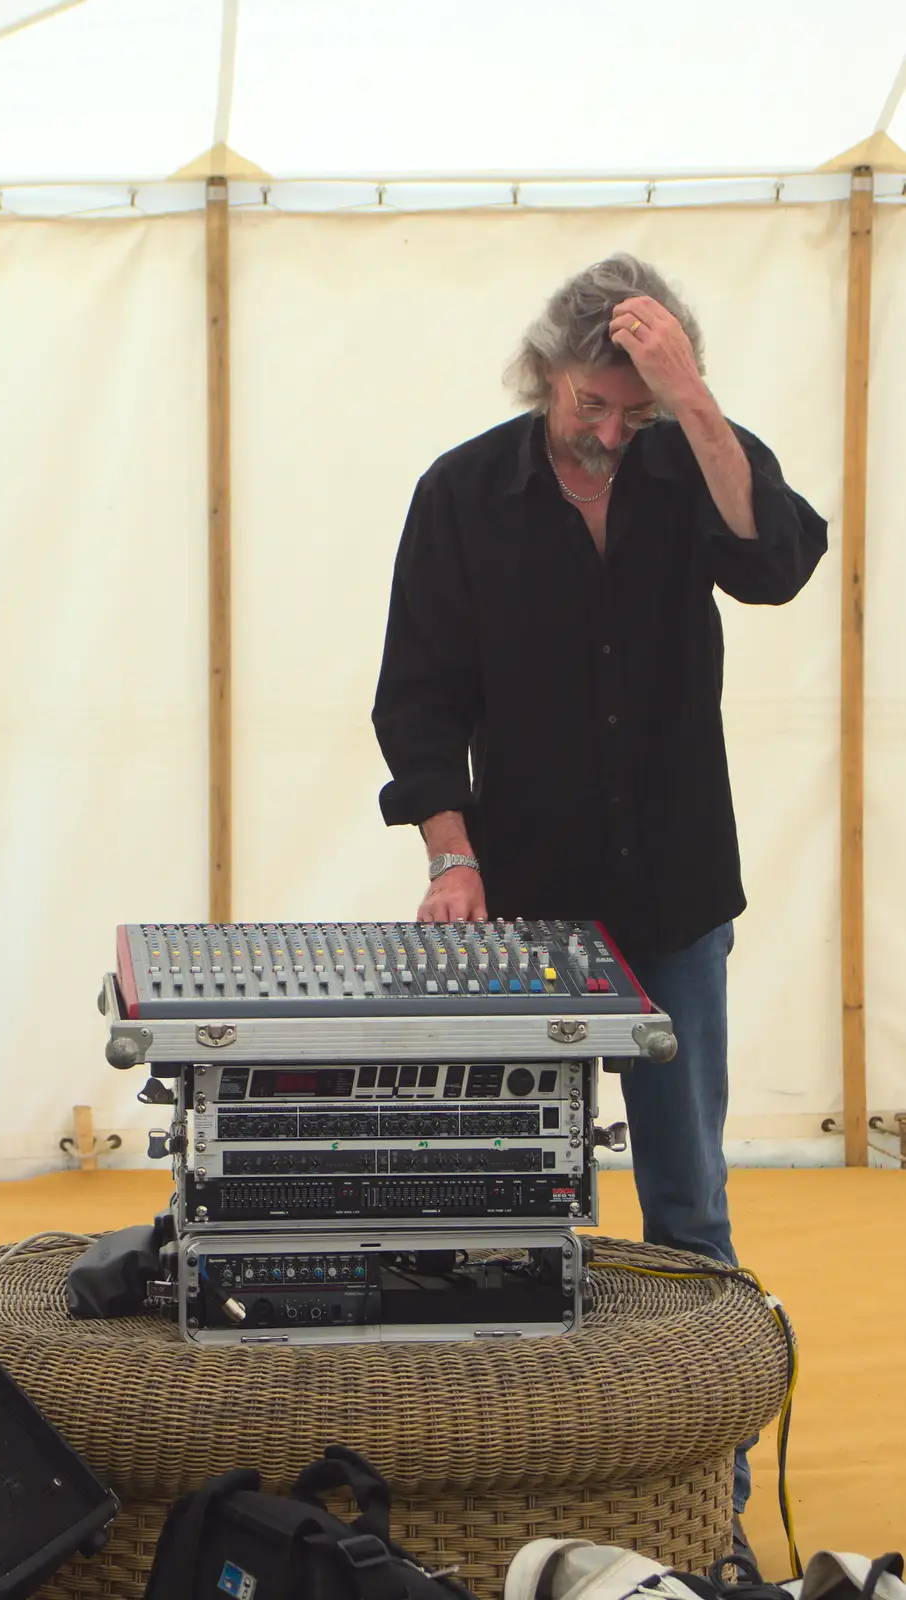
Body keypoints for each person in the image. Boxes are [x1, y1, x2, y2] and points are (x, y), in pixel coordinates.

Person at [371, 254, 827, 1551]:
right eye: (593, 404)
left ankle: (708, 1506)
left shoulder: (693, 459)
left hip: (675, 891)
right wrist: (448, 858)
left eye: (635, 406)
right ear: (545, 373)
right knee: (532, 1206)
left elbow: (777, 562)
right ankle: (550, 1487)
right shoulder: (462, 494)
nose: (610, 430)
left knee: (687, 1205)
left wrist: (696, 399)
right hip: (526, 910)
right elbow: (419, 700)